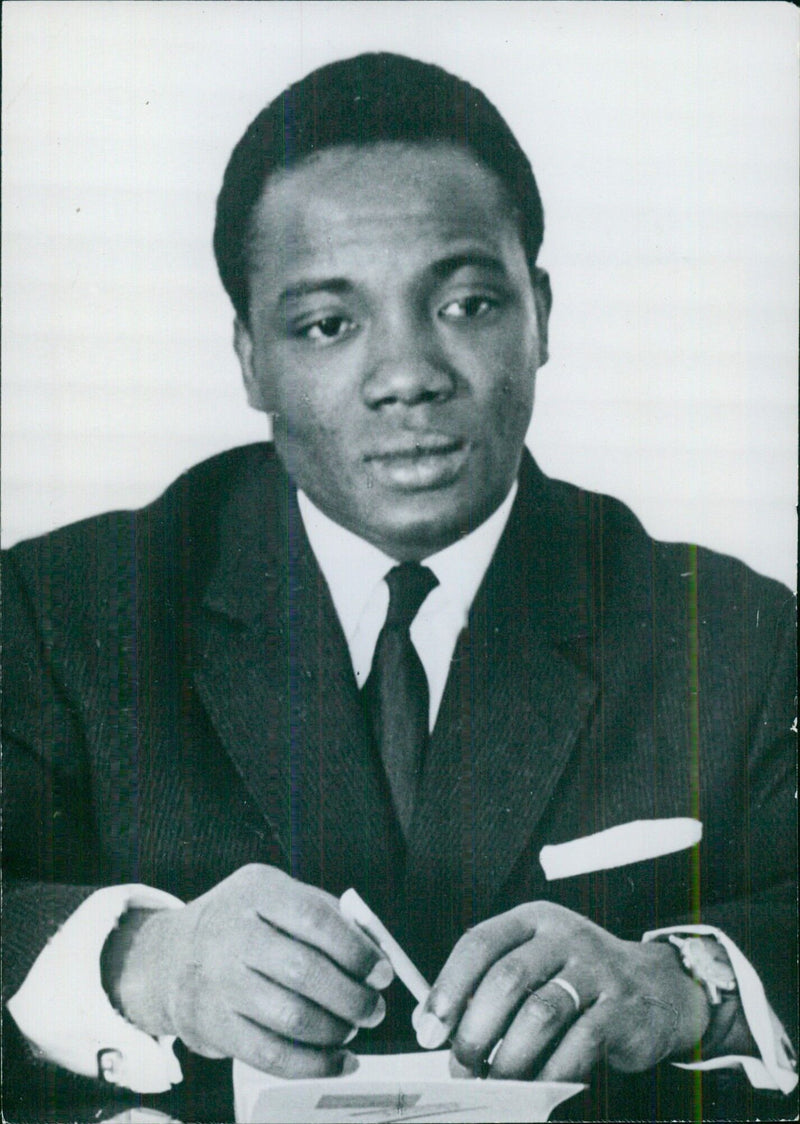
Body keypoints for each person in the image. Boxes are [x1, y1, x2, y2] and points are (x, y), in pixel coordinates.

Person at [2, 53, 796, 1122]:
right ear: (248, 358)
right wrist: (142, 958)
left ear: (540, 314)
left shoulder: (732, 632)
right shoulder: (61, 613)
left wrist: (688, 985)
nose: (407, 372)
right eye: (327, 323)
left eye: (465, 302)